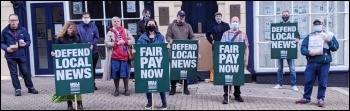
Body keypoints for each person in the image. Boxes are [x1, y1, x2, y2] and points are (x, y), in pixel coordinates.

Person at [295, 19, 339, 107]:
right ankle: (306, 98)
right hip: (312, 62)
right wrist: (308, 52)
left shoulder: (329, 35)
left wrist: (329, 41)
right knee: (308, 80)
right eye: (315, 24)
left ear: (323, 25)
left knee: (323, 81)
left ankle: (320, 99)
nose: (317, 25)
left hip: (324, 63)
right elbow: (303, 48)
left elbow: (335, 47)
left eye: (319, 23)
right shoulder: (310, 36)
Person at [1, 14, 38, 96]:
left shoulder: (23, 30)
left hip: (21, 55)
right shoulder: (5, 31)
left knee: (25, 72)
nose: (13, 22)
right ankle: (17, 89)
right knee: (14, 73)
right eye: (11, 20)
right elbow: (2, 43)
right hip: (10, 56)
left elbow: (28, 41)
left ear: (18, 21)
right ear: (9, 21)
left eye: (15, 20)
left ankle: (30, 88)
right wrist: (6, 48)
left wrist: (25, 44)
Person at [50, 21, 83, 110]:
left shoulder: (77, 38)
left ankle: (79, 103)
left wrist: (88, 47)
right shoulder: (60, 39)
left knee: (77, 84)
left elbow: (82, 48)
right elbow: (56, 50)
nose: (71, 30)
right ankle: (69, 104)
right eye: (69, 28)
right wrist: (53, 53)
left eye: (72, 28)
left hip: (76, 65)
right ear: (66, 28)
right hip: (65, 66)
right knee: (67, 85)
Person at [137, 19, 167, 110]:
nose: (151, 25)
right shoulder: (142, 37)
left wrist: (167, 47)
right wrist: (135, 50)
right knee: (148, 84)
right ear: (146, 26)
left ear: (155, 25)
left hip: (158, 63)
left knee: (161, 83)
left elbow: (163, 48)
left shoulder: (160, 37)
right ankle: (150, 102)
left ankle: (164, 102)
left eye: (152, 24)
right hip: (147, 64)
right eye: (149, 24)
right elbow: (138, 47)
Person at [103, 16, 135, 97]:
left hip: (125, 56)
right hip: (115, 57)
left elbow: (133, 40)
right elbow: (106, 43)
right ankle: (116, 90)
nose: (116, 22)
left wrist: (125, 42)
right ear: (112, 23)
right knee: (115, 74)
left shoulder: (125, 31)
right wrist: (116, 44)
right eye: (114, 21)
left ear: (120, 22)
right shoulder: (110, 32)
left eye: (117, 21)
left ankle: (126, 90)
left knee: (125, 74)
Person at [220, 16, 249, 104]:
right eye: (233, 21)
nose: (235, 23)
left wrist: (246, 59)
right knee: (227, 76)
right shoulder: (225, 33)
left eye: (236, 21)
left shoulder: (243, 34)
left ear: (239, 23)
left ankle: (237, 94)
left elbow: (246, 47)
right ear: (230, 23)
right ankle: (226, 94)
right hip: (228, 59)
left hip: (238, 59)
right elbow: (221, 47)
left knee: (237, 77)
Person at [166, 10, 195, 95]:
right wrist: (169, 40)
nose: (181, 17)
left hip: (185, 51)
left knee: (184, 69)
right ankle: (173, 88)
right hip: (174, 51)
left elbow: (192, 36)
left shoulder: (188, 26)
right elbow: (167, 35)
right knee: (174, 70)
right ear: (177, 16)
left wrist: (194, 42)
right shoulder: (171, 25)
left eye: (183, 16)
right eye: (180, 16)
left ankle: (185, 87)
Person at [272, 10, 300, 91]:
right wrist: (271, 41)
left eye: (286, 15)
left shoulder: (293, 26)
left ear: (289, 16)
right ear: (281, 16)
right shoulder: (278, 26)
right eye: (283, 15)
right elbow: (274, 36)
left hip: (290, 50)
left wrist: (297, 39)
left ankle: (294, 85)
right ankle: (279, 84)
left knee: (292, 68)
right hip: (279, 50)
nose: (285, 16)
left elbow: (298, 36)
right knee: (280, 68)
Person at [77, 12, 100, 90]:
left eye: (87, 17)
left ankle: (92, 83)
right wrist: (82, 45)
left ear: (90, 18)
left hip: (93, 51)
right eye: (84, 17)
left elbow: (97, 37)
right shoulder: (78, 27)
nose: (86, 19)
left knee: (92, 69)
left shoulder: (94, 26)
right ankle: (84, 84)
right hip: (82, 52)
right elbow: (77, 37)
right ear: (82, 18)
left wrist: (93, 44)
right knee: (83, 69)